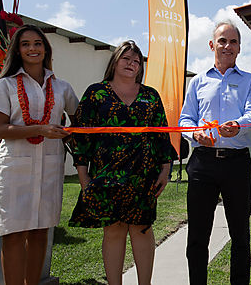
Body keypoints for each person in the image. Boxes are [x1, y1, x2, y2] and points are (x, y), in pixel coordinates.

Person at [69, 40, 176, 285]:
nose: (132, 64)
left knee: (142, 229)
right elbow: (82, 137)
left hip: (143, 174)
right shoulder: (96, 93)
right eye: (126, 58)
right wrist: (84, 177)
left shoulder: (150, 95)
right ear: (115, 61)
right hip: (107, 174)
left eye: (137, 61)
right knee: (114, 229)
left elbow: (162, 133)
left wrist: (165, 169)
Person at [0, 25, 79, 285]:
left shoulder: (61, 87)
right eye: (26, 44)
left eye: (38, 43)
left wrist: (68, 132)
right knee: (14, 234)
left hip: (49, 168)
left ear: (46, 49)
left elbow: (78, 119)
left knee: (40, 232)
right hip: (14, 170)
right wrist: (41, 129)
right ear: (17, 50)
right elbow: (1, 130)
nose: (32, 49)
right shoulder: (4, 85)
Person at [179, 21, 251, 285]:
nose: (228, 46)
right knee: (198, 236)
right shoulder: (197, 82)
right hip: (202, 163)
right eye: (222, 41)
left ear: (239, 48)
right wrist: (195, 134)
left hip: (237, 165)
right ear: (212, 45)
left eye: (233, 41)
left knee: (240, 234)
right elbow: (185, 119)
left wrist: (238, 125)